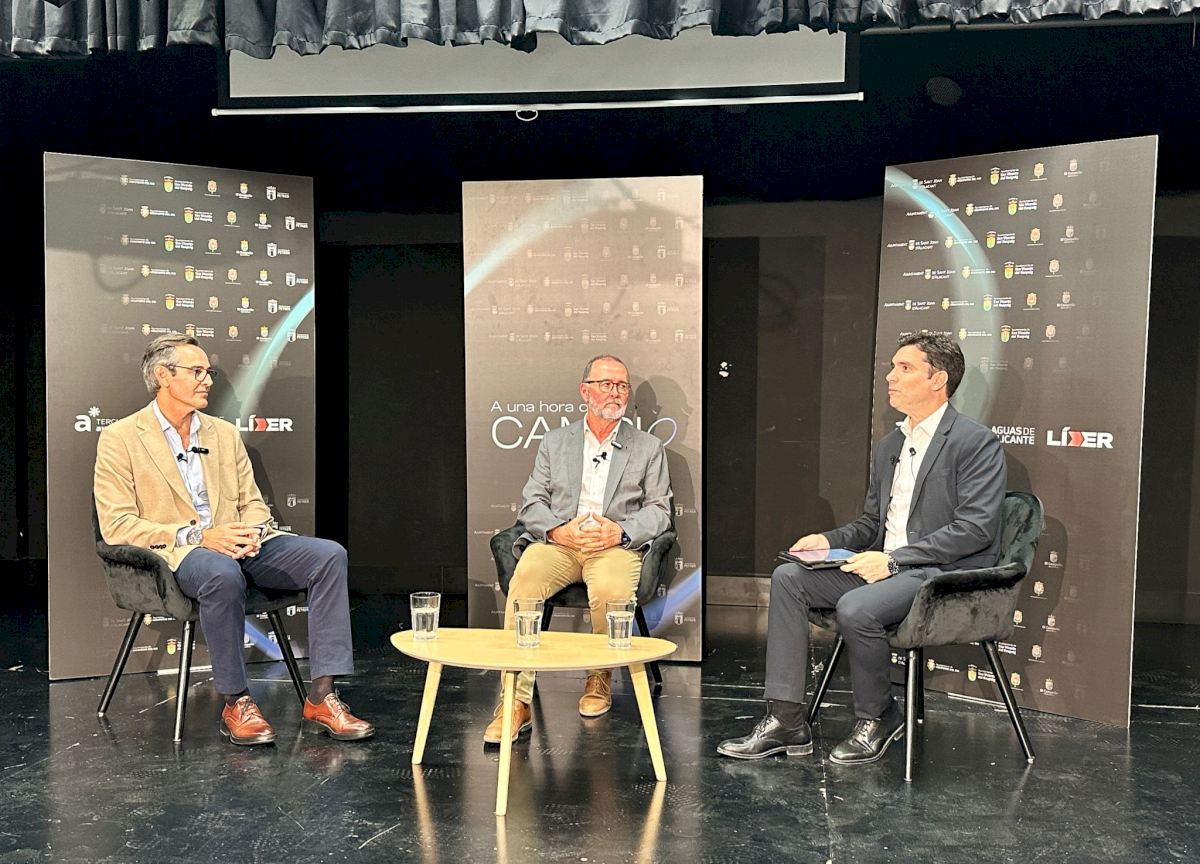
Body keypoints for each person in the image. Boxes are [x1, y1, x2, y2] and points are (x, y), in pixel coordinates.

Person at [718, 333, 1005, 765]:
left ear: (938, 380)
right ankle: (787, 720)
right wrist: (829, 540)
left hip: (940, 573)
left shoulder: (974, 441)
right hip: (888, 566)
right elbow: (873, 523)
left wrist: (893, 560)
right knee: (789, 578)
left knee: (856, 607)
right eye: (892, 366)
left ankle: (879, 715)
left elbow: (975, 529)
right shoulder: (891, 445)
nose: (890, 376)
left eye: (904, 368)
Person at [94, 333, 373, 746]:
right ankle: (236, 701)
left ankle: (321, 697)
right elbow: (117, 524)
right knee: (221, 572)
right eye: (196, 372)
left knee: (328, 555)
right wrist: (200, 535)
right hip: (183, 552)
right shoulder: (121, 438)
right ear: (163, 376)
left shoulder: (223, 434)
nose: (207, 380)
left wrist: (253, 533)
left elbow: (253, 503)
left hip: (240, 544)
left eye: (208, 372)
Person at [484, 354, 673, 744]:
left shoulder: (648, 447)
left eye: (621, 385)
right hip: (561, 544)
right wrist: (558, 531)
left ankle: (599, 677)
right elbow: (532, 503)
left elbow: (660, 511)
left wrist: (620, 532)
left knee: (610, 589)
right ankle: (515, 701)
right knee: (525, 582)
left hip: (613, 547)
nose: (615, 392)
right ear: (585, 391)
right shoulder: (555, 442)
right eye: (606, 384)